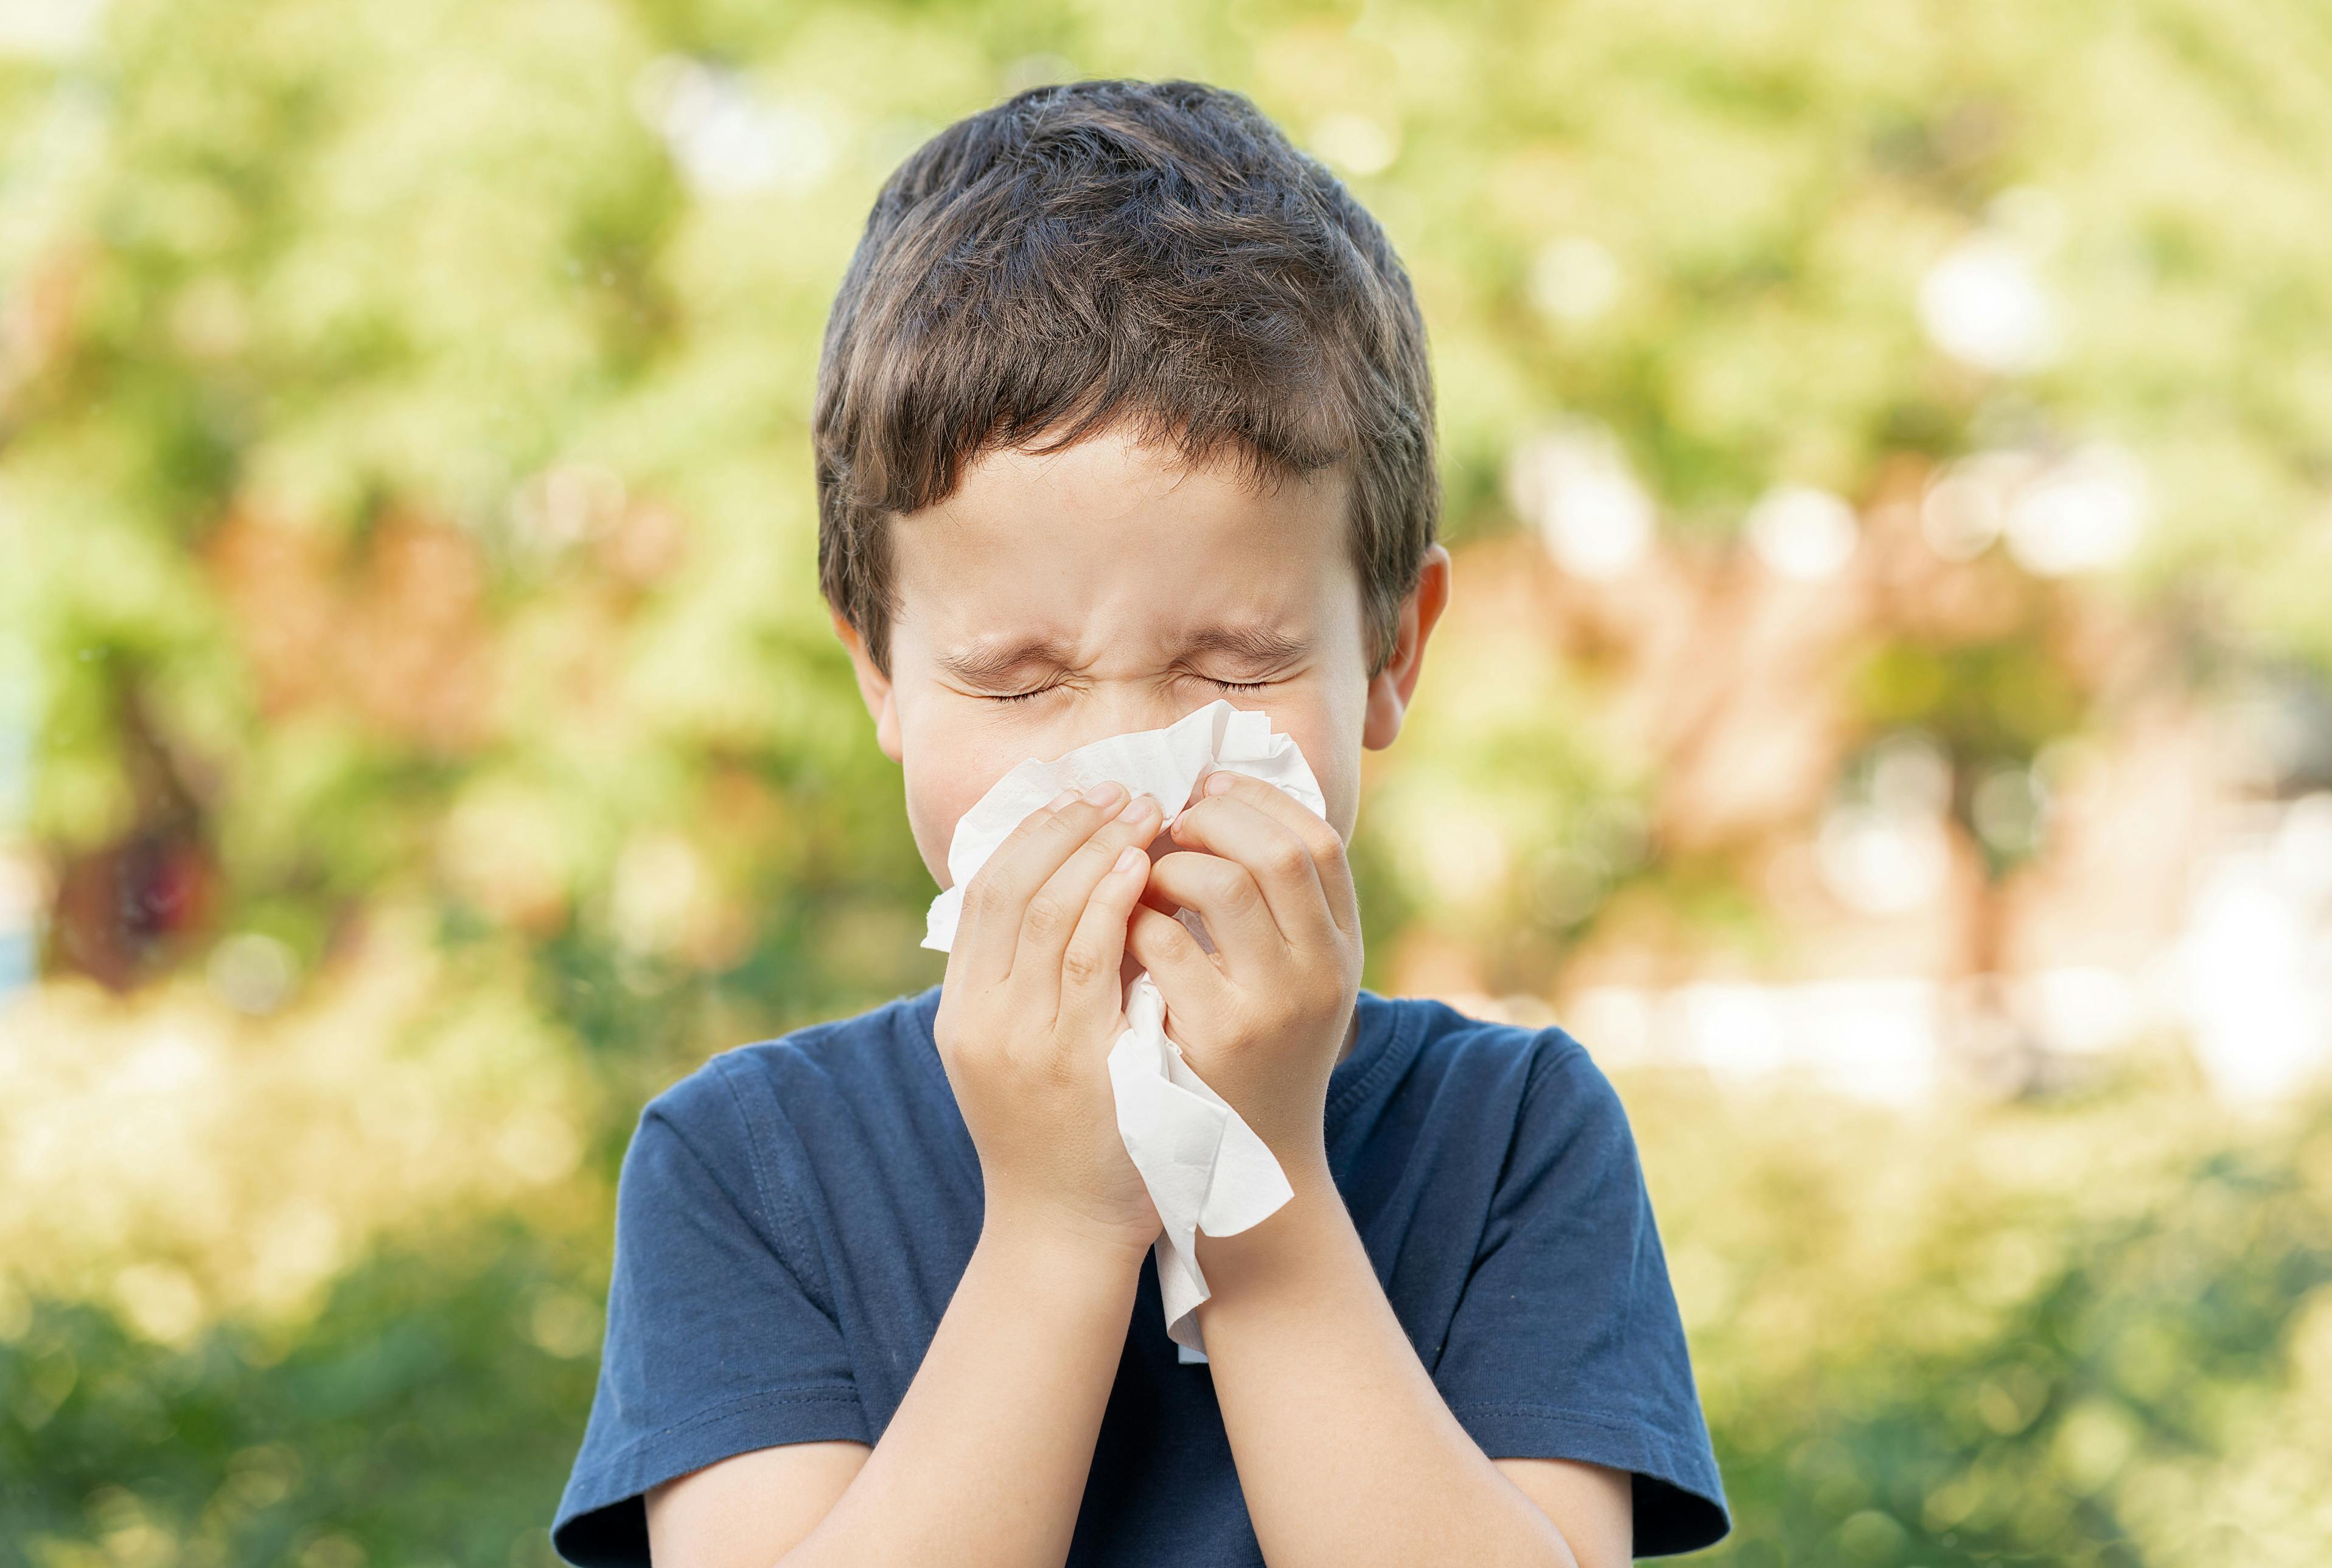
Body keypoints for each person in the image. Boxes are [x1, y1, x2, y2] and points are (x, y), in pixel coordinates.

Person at [551, 77, 1730, 1568]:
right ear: (881, 676)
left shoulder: (1513, 1138)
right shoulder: (748, 1165)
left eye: (1234, 668)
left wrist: (1261, 1192)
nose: (1120, 767)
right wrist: (1055, 1225)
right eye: (1014, 677)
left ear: (1391, 651)